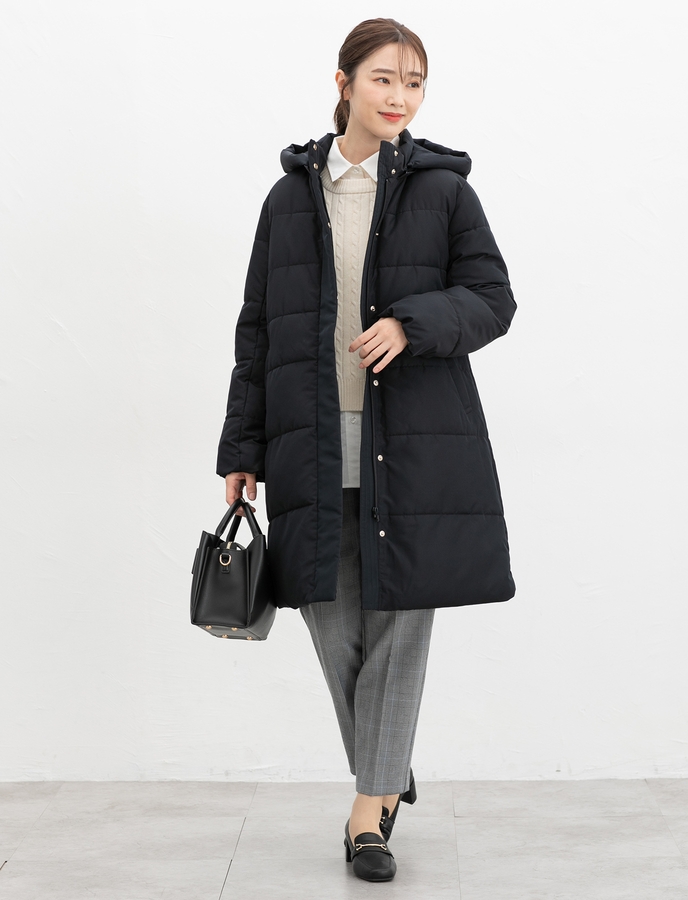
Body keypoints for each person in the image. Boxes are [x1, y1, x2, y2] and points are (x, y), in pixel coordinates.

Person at [216, 17, 517, 883]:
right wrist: (241, 446)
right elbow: (257, 330)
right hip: (308, 440)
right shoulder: (287, 200)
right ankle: (390, 767)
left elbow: (493, 299)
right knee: (333, 621)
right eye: (384, 78)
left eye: (414, 82)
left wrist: (411, 324)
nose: (400, 97)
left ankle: (367, 815)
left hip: (416, 447)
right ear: (343, 82)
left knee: (401, 629)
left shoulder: (443, 191)